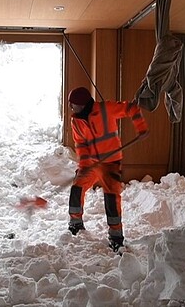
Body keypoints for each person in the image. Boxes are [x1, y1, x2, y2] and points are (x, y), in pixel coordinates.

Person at [67, 86, 149, 253]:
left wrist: (141, 128)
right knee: (77, 188)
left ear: (82, 105)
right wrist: (83, 165)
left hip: (110, 162)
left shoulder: (106, 109)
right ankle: (75, 223)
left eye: (73, 104)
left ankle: (116, 237)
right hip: (90, 163)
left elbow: (131, 108)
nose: (71, 107)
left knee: (111, 197)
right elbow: (80, 144)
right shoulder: (76, 120)